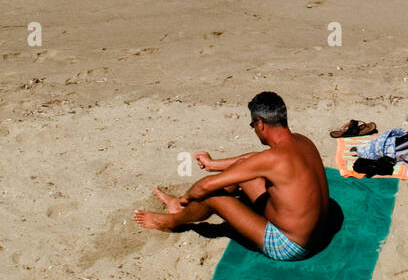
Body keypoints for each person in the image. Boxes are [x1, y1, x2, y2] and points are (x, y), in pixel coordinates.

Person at [134, 91, 329, 260]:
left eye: (252, 125)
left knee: (213, 198)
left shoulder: (273, 159)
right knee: (243, 170)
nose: (254, 129)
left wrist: (185, 198)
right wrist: (213, 165)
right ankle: (184, 208)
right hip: (317, 232)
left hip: (291, 246)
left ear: (260, 124)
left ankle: (171, 220)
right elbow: (255, 159)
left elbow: (206, 186)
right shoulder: (303, 141)